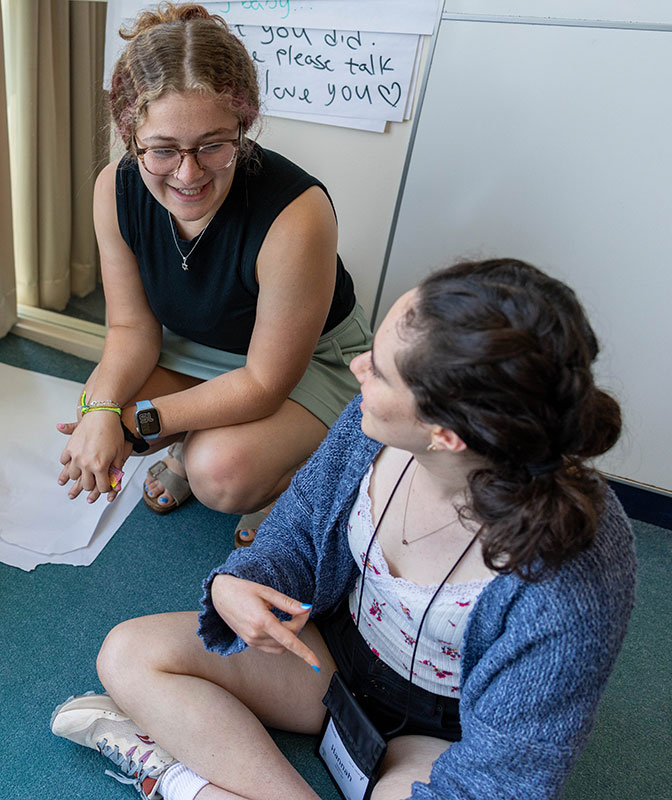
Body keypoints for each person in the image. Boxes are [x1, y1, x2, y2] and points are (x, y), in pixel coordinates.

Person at [51, 259, 636, 799]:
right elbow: (300, 526)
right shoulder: (371, 425)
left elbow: (504, 774)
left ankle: (177, 778)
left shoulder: (575, 576)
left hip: (446, 734)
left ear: (446, 435)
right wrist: (240, 581)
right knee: (129, 653)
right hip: (330, 659)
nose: (357, 367)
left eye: (378, 371)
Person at [56, 3, 371, 546]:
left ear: (244, 126)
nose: (188, 173)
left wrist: (138, 424)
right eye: (162, 150)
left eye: (213, 146)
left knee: (219, 473)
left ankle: (296, 480)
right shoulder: (114, 187)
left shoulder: (298, 213)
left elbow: (264, 383)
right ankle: (192, 440)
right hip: (194, 346)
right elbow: (131, 332)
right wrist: (103, 412)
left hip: (302, 363)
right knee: (95, 405)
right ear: (129, 135)